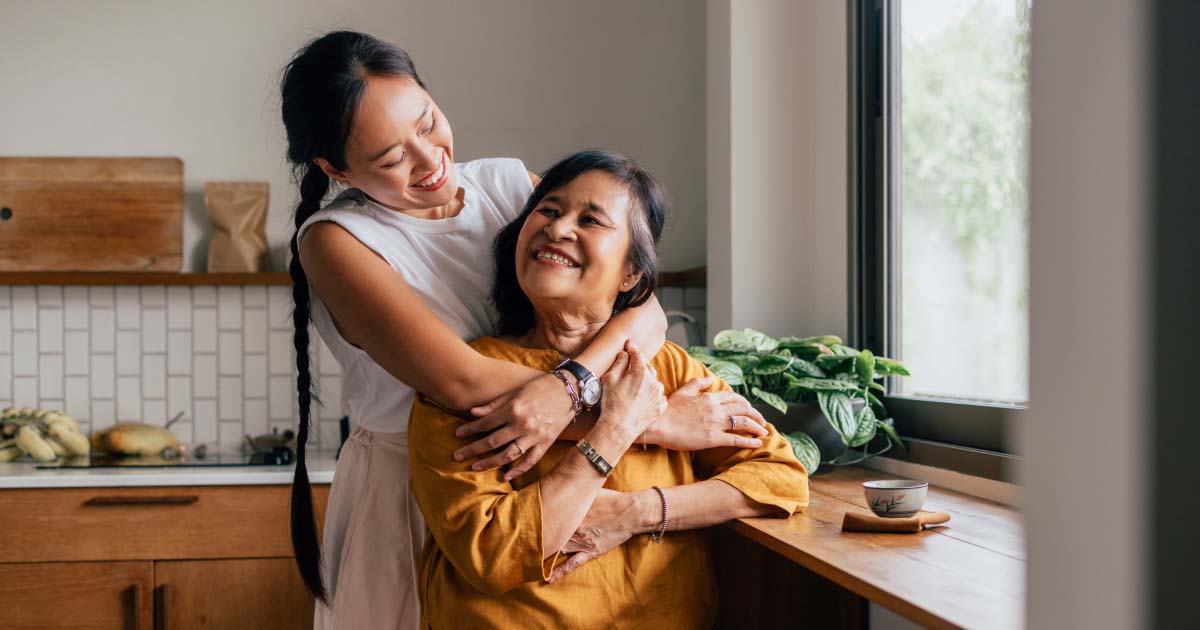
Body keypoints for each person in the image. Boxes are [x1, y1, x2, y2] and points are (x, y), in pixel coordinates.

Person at [279, 32, 770, 628]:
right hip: (422, 484)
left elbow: (643, 309)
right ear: (336, 169)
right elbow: (461, 382)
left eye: (428, 122)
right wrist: (651, 421)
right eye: (390, 159)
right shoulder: (335, 242)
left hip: (541, 477)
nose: (430, 159)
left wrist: (567, 387)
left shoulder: (511, 186)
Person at [408, 150, 810, 629]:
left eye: (591, 220)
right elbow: (494, 553)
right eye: (549, 210)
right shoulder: (466, 378)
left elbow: (780, 478)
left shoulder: (666, 366)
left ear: (631, 274)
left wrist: (638, 512)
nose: (558, 229)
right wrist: (616, 428)